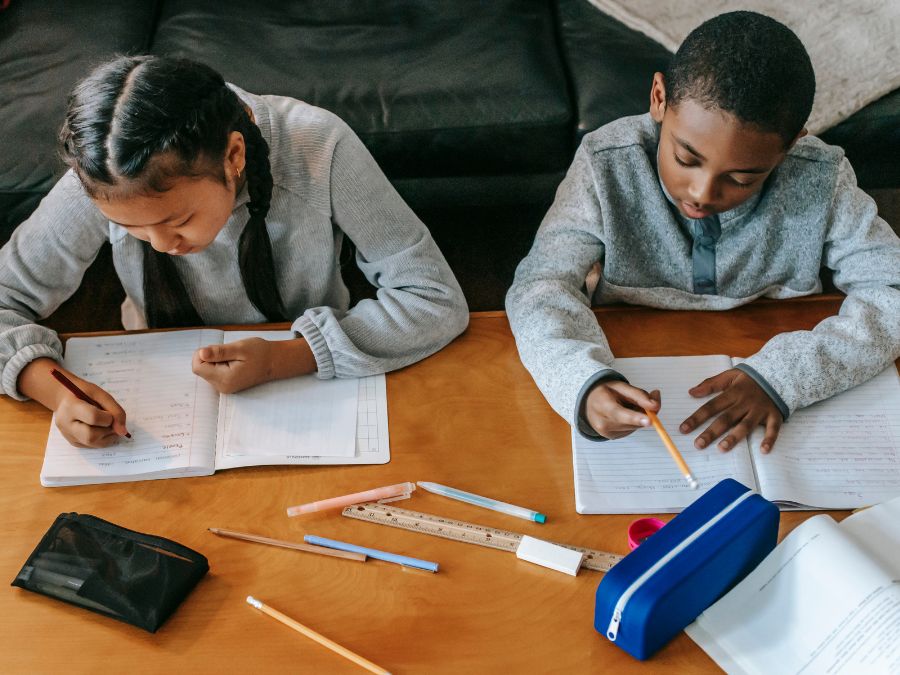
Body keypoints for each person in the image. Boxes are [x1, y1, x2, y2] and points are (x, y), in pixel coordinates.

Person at [0, 55, 468, 448]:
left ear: (234, 157)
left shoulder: (319, 146)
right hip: (158, 389)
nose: (164, 246)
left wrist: (288, 357)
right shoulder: (106, 173)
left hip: (315, 379)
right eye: (130, 229)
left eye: (178, 221)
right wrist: (49, 387)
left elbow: (434, 298)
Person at [506, 11, 900, 453]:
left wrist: (786, 377)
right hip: (632, 347)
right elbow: (540, 286)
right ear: (659, 98)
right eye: (686, 159)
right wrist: (582, 381)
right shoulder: (605, 164)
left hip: (774, 351)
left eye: (743, 178)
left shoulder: (821, 177)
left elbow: (893, 288)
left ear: (790, 147)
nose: (701, 193)